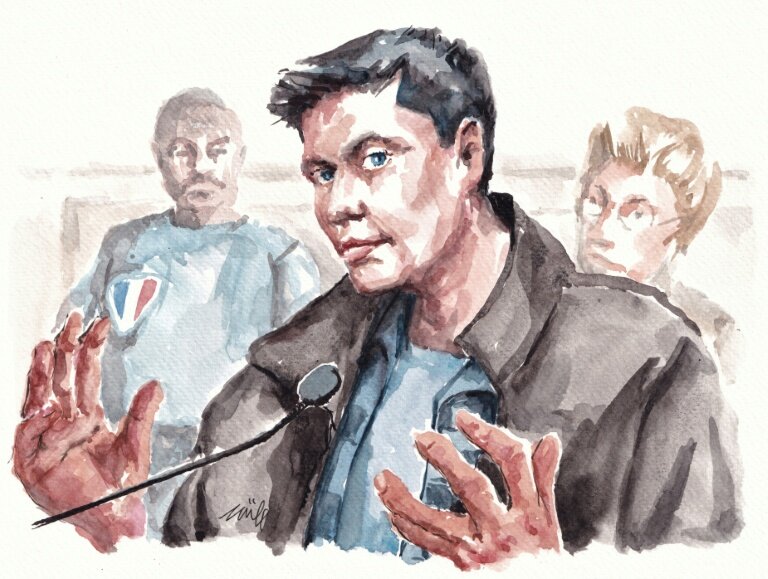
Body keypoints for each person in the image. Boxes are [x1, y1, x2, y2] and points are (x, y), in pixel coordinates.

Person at [14, 29, 741, 569]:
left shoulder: (651, 363)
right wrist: (124, 532)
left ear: (467, 156)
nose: (338, 205)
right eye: (323, 173)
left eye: (375, 158)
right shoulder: (280, 382)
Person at [48, 88, 322, 539]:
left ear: (239, 158)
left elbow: (310, 369)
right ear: (160, 160)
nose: (201, 166)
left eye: (217, 151)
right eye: (182, 151)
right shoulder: (125, 244)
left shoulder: (278, 254)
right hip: (127, 457)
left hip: (234, 457)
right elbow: (69, 330)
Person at [575, 107, 739, 383]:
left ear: (679, 235)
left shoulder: (711, 336)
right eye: (595, 202)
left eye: (636, 214)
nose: (602, 229)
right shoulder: (545, 312)